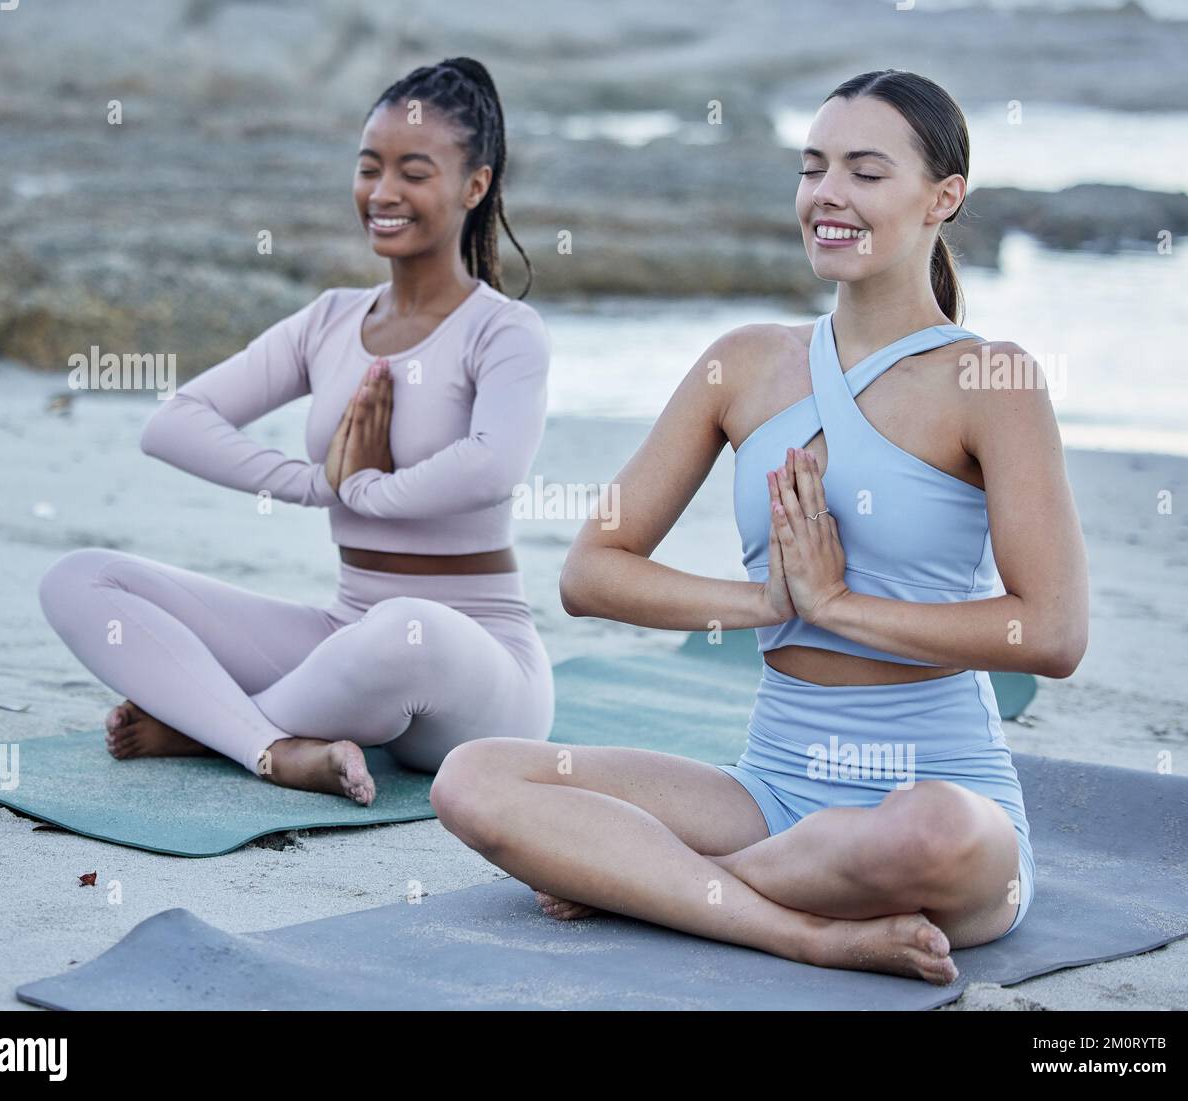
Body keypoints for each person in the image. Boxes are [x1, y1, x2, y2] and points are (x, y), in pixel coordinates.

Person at [430, 70, 1089, 984]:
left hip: (939, 795)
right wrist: (767, 600)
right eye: (813, 167)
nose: (829, 194)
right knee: (473, 776)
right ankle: (803, 931)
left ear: (944, 198)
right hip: (772, 787)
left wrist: (840, 606)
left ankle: (661, 885)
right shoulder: (741, 365)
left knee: (931, 833)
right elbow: (593, 573)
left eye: (866, 171)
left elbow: (1051, 632)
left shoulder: (994, 380)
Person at [38, 58, 554, 802]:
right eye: (369, 167)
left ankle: (205, 728)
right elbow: (174, 422)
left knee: (405, 627)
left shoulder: (505, 331)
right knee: (80, 578)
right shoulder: (330, 320)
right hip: (343, 638)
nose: (383, 193)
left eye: (414, 171)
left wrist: (365, 488)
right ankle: (270, 747)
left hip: (477, 672)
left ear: (475, 186)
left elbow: (492, 467)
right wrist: (316, 484)